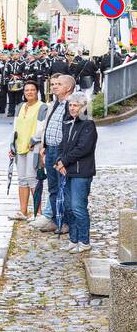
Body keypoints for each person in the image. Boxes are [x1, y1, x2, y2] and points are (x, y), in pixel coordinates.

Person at [55, 92, 97, 253]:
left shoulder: (88, 124)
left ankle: (84, 241)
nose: (72, 108)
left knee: (78, 207)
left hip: (81, 172)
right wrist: (59, 161)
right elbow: (62, 145)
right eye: (71, 105)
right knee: (68, 207)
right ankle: (73, 239)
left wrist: (64, 161)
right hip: (67, 171)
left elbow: (83, 148)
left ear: (83, 107)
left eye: (76, 105)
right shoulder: (67, 123)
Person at [39, 73, 75, 234]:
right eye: (54, 84)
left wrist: (65, 155)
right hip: (50, 149)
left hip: (62, 151)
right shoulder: (55, 103)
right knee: (53, 187)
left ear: (68, 88)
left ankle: (65, 221)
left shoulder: (73, 104)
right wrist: (44, 146)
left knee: (64, 188)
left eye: (59, 84)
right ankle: (55, 220)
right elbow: (48, 126)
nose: (54, 86)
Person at [8, 80, 45, 221]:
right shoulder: (20, 107)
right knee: (22, 180)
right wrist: (11, 145)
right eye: (27, 90)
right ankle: (23, 211)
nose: (29, 92)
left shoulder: (42, 107)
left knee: (33, 179)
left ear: (37, 91)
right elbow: (15, 128)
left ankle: (38, 213)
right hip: (20, 146)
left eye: (32, 90)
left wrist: (34, 140)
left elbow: (42, 127)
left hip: (33, 147)